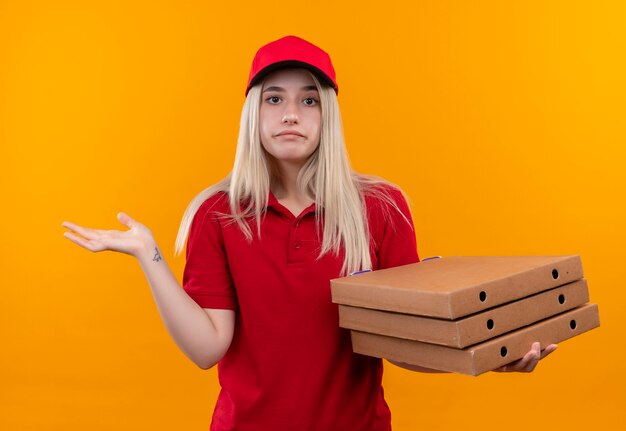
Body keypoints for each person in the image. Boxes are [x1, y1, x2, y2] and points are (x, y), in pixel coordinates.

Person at [62, 35, 557, 430]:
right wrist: (148, 255)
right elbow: (208, 348)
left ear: (328, 116)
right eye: (274, 98)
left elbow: (406, 342)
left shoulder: (381, 208)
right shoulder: (218, 214)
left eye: (309, 100)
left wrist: (487, 356)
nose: (291, 113)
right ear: (253, 113)